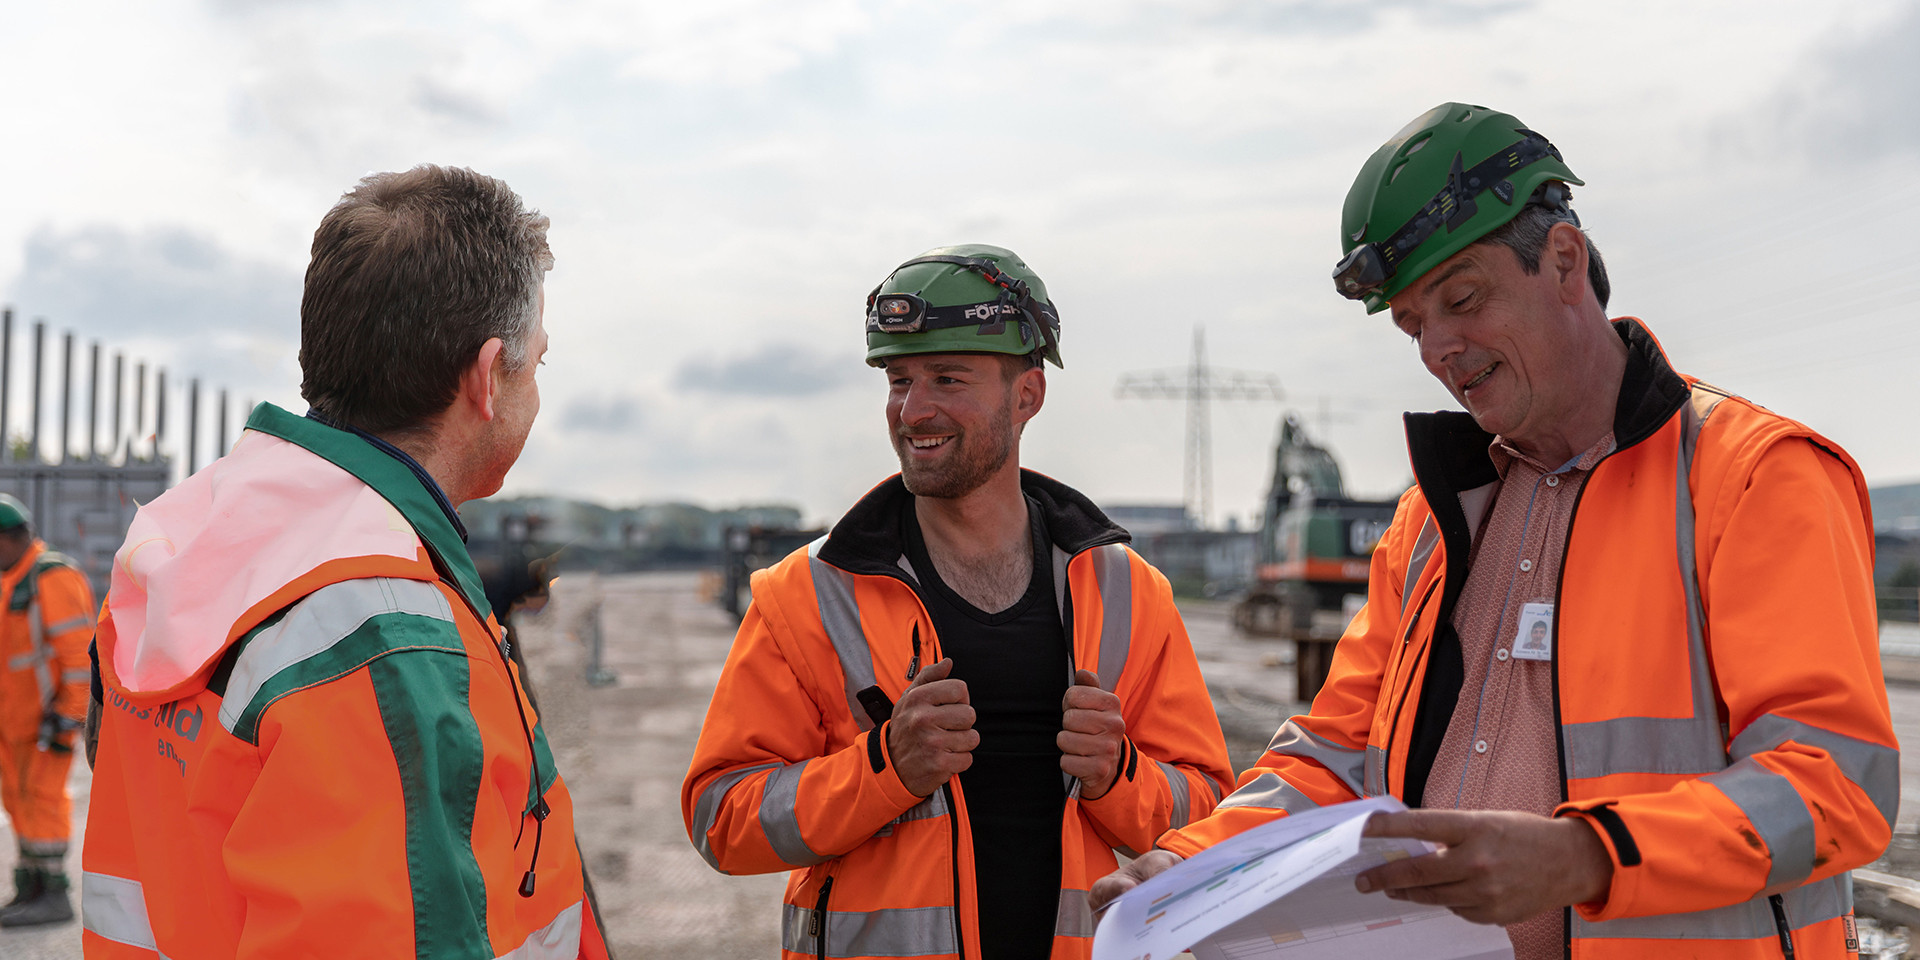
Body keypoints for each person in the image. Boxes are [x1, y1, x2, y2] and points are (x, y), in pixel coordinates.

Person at [1092, 103, 1896, 960]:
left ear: (1564, 262)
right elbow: (1335, 756)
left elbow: (1837, 785)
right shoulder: (1431, 523)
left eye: (1463, 299)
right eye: (1413, 324)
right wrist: (1189, 866)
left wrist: (1589, 856)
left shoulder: (1753, 477)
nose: (1439, 348)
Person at [81, 165, 610, 959]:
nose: (535, 389)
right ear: (486, 379)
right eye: (536, 363)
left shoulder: (180, 539)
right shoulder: (379, 634)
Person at [682, 244, 1234, 960]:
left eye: (947, 378)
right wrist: (883, 767)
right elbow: (721, 819)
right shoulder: (806, 594)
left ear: (1027, 396)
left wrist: (1118, 775)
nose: (913, 411)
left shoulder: (1129, 593)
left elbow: (1211, 816)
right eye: (898, 381)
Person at [0, 494, 93, 927]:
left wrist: (70, 713)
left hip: (46, 719)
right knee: (19, 800)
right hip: (14, 723)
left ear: (9, 539)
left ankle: (54, 894)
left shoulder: (51, 576)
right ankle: (30, 887)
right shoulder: (12, 580)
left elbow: (78, 653)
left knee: (44, 800)